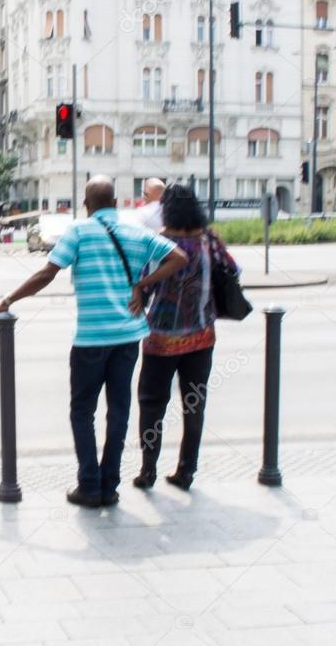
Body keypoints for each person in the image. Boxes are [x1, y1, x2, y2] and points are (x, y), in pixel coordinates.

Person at [0, 176, 188, 509]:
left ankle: (89, 484)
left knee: (82, 411)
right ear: (114, 202)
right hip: (128, 338)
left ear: (86, 204)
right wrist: (143, 285)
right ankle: (110, 486)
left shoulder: (79, 232)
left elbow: (46, 274)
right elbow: (179, 257)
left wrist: (8, 300)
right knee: (119, 411)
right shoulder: (136, 232)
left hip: (91, 339)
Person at [133, 184, 239, 492]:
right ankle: (186, 471)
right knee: (194, 405)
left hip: (162, 339)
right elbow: (232, 269)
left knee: (152, 404)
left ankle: (148, 469)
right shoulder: (209, 239)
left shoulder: (161, 243)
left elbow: (144, 284)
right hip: (202, 336)